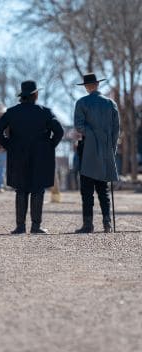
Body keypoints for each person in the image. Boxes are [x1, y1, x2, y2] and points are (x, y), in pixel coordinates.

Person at [0, 80, 64, 234]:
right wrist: (50, 146)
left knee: (21, 189)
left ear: (22, 95)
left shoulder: (11, 112)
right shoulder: (45, 112)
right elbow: (59, 131)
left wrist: (8, 145)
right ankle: (36, 226)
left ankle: (20, 227)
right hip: (41, 156)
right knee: (38, 190)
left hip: (18, 155)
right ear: (35, 94)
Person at [74, 72, 120, 233]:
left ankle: (88, 224)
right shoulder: (111, 103)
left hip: (88, 149)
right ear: (98, 85)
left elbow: (79, 126)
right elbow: (116, 130)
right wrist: (111, 150)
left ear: (87, 87)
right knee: (103, 189)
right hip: (106, 150)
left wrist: (91, 134)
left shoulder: (81, 102)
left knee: (87, 190)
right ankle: (107, 222)